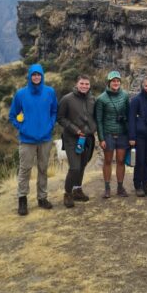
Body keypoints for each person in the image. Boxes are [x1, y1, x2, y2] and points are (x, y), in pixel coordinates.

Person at [9, 63, 58, 216]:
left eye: (39, 75)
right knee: (25, 170)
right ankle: (22, 199)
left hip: (45, 138)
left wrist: (49, 126)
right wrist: (23, 128)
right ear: (29, 77)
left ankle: (42, 198)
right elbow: (12, 115)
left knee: (43, 169)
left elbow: (54, 111)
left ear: (42, 76)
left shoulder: (50, 92)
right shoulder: (21, 94)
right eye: (33, 75)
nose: (36, 77)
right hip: (27, 140)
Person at [58, 75, 96, 208]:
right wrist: (75, 130)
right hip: (72, 138)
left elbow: (94, 117)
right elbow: (60, 118)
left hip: (88, 138)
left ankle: (77, 190)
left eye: (87, 84)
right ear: (77, 84)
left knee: (82, 166)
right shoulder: (67, 99)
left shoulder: (92, 99)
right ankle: (68, 194)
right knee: (74, 167)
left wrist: (93, 129)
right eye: (82, 83)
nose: (84, 86)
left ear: (89, 85)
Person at [95, 70, 130, 198]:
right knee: (108, 161)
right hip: (108, 134)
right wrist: (101, 138)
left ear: (120, 82)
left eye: (117, 81)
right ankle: (107, 188)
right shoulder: (101, 99)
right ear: (109, 82)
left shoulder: (125, 96)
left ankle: (120, 188)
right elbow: (98, 120)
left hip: (122, 134)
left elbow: (129, 114)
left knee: (121, 161)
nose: (115, 83)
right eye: (113, 81)